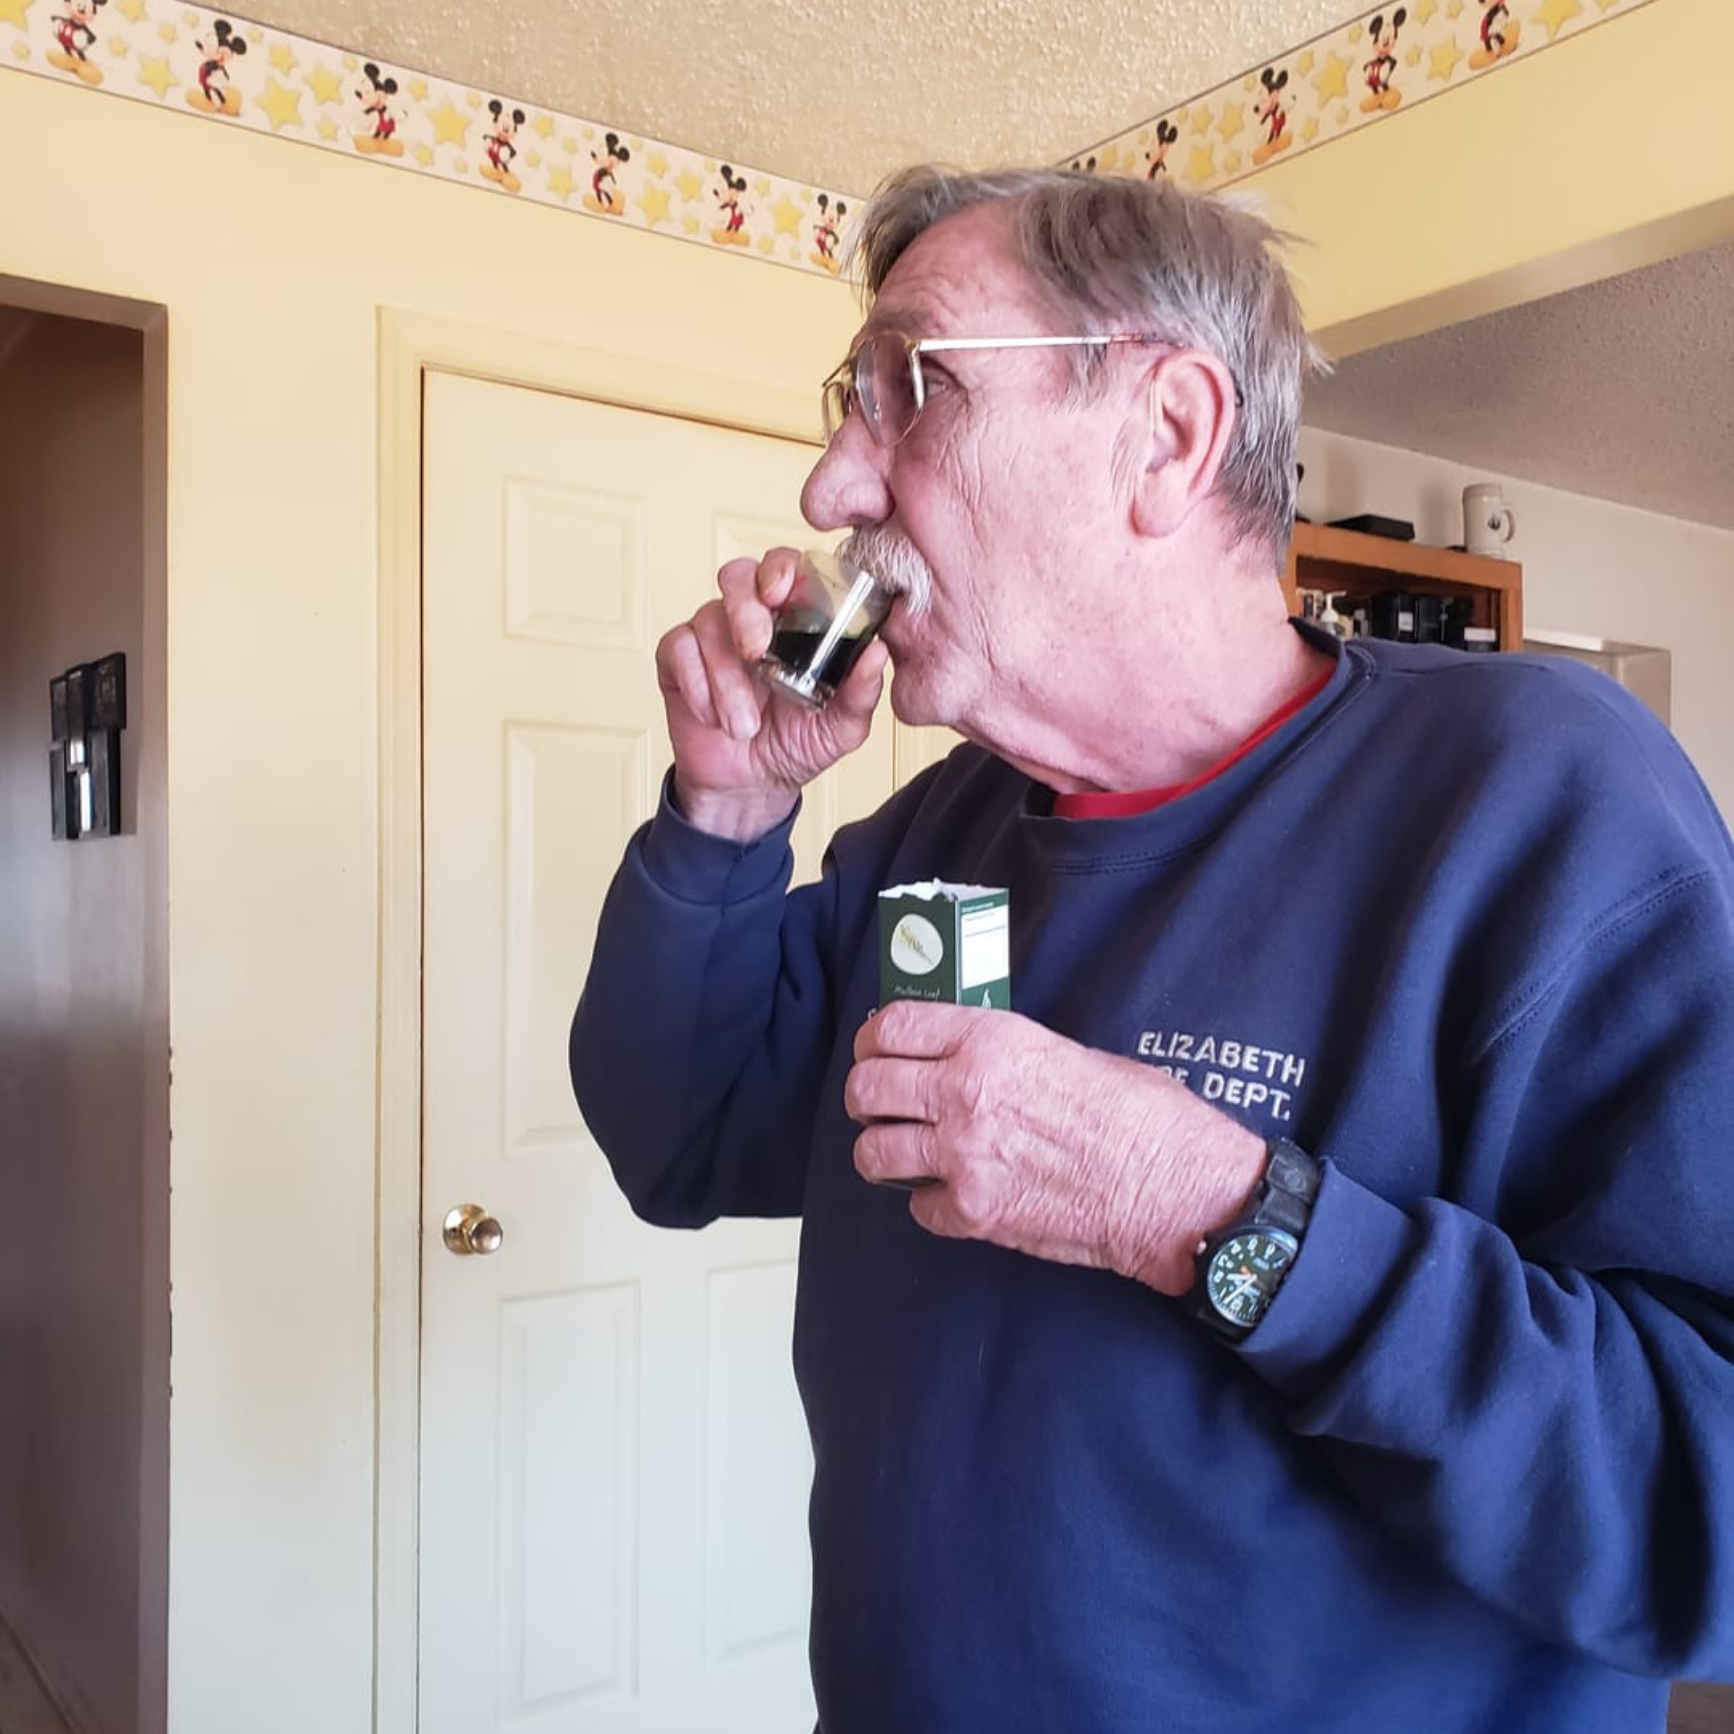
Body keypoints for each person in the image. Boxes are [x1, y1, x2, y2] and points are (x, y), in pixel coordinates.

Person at [569, 164, 1734, 1732]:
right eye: (849, 402)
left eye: (913, 387)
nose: (832, 487)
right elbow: (676, 1133)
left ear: (1167, 434)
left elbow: (1708, 1498)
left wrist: (1215, 1214)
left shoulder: (1536, 795)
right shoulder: (931, 833)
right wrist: (725, 812)